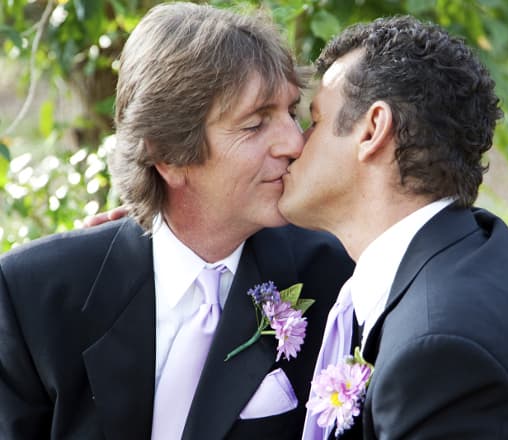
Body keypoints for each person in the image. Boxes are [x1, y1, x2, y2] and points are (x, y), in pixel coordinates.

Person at [0, 3, 353, 439]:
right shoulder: (33, 296)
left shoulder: (336, 279)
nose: (294, 143)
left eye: (291, 112)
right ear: (168, 155)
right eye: (255, 124)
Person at [278, 16, 508, 439]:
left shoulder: (439, 349)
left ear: (373, 130)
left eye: (315, 120)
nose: (294, 143)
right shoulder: (468, 249)